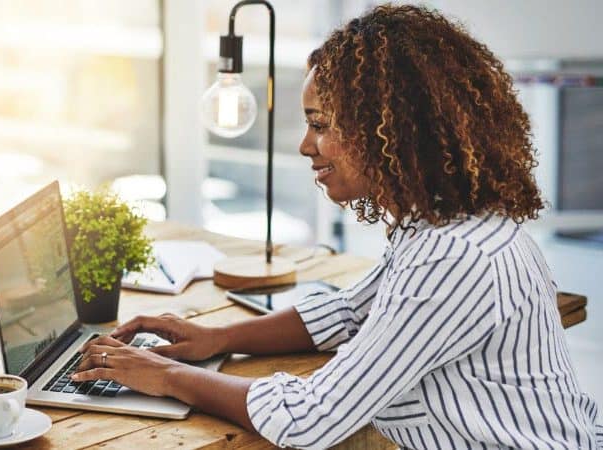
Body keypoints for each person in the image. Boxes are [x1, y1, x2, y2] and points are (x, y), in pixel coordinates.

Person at [71, 4, 601, 449]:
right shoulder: (442, 226)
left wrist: (165, 377)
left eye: (320, 124)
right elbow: (350, 313)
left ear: (388, 128)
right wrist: (217, 337)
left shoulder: (453, 255)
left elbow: (312, 417)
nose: (305, 146)